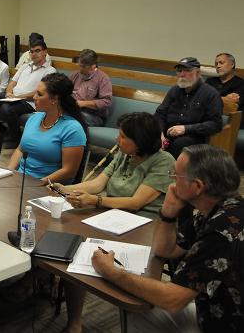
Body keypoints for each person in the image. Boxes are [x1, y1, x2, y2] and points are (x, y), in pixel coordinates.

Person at [90, 144, 243, 332]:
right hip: (213, 309)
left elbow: (172, 299)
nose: (171, 181)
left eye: (176, 175)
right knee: (139, 312)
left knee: (143, 306)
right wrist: (168, 213)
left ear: (197, 186)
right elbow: (166, 250)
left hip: (227, 324)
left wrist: (110, 271)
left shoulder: (222, 230)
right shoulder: (216, 208)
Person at [52, 112, 175, 333]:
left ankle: (87, 317)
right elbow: (98, 183)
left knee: (85, 250)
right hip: (110, 215)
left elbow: (136, 202)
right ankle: (74, 322)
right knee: (74, 246)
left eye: (123, 136)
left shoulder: (164, 161)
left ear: (140, 141)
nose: (117, 140)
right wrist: (61, 188)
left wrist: (95, 200)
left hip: (143, 225)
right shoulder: (124, 154)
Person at [7, 73, 87, 184]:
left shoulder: (72, 129)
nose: (34, 97)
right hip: (21, 181)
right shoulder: (34, 118)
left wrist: (37, 184)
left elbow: (69, 171)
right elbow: (20, 149)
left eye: (39, 94)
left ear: (54, 99)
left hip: (47, 188)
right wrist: (9, 172)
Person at [155, 57, 222, 158]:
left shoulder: (211, 94)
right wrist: (159, 133)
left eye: (187, 70)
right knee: (145, 135)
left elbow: (215, 124)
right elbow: (160, 113)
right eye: (179, 71)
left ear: (198, 73)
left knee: (180, 145)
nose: (182, 74)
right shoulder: (174, 90)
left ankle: (171, 172)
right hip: (168, 133)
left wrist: (186, 129)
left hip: (193, 136)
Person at [0, 36, 56, 145]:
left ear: (45, 52)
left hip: (31, 102)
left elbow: (39, 93)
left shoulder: (50, 71)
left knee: (6, 108)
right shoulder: (25, 66)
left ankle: (16, 139)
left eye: (37, 51)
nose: (34, 54)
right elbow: (12, 82)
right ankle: (4, 132)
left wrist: (17, 97)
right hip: (13, 98)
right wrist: (9, 93)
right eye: (31, 51)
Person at [68, 49, 112, 126]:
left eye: (83, 66)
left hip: (93, 115)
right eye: (79, 65)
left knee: (74, 119)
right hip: (74, 110)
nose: (80, 68)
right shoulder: (75, 75)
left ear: (93, 66)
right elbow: (65, 91)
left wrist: (83, 103)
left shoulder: (103, 78)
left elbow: (106, 102)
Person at [205, 53, 244, 124]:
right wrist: (225, 99)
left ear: (232, 64)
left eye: (221, 63)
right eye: (216, 64)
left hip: (231, 122)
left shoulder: (241, 83)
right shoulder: (210, 81)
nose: (218, 66)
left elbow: (231, 105)